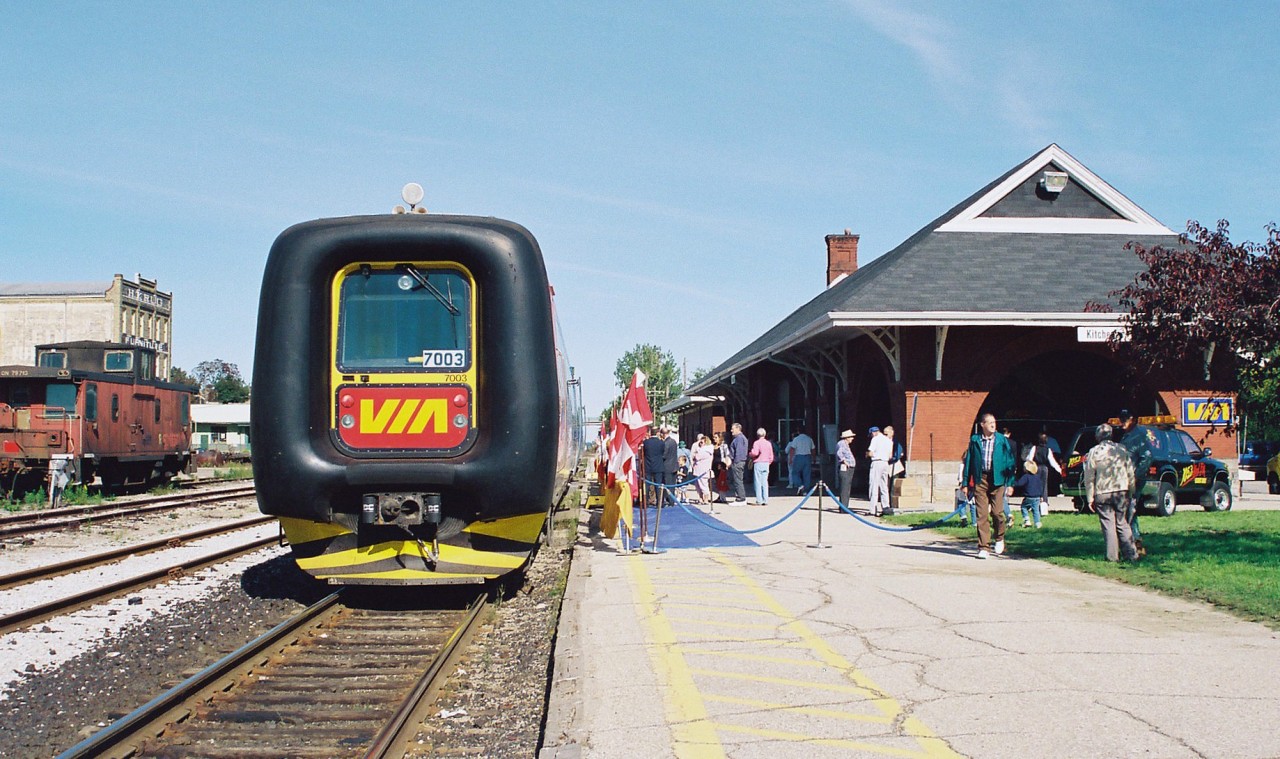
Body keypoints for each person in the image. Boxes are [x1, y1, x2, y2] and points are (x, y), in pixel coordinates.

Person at [960, 413, 1017, 559]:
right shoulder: (975, 440)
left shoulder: (1002, 440)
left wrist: (1010, 483)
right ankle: (984, 547)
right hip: (981, 479)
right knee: (982, 515)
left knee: (997, 513)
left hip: (997, 480)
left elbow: (1010, 462)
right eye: (989, 422)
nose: (993, 425)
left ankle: (999, 537)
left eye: (994, 422)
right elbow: (969, 462)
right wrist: (965, 483)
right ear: (982, 425)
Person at [1082, 422, 1139, 562]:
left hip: (1103, 491)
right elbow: (1130, 472)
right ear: (1111, 435)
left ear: (1097, 437)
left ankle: (1112, 556)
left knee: (1108, 525)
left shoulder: (1094, 452)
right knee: (1122, 523)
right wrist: (1131, 490)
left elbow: (1089, 477)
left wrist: (1090, 498)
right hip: (1121, 490)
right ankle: (1131, 554)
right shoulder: (1121, 449)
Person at [1117, 410, 1152, 557]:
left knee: (1129, 510)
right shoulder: (1127, 436)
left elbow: (1147, 456)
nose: (1122, 423)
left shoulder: (1138, 436)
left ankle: (1134, 544)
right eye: (1121, 419)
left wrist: (1136, 476)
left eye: (1125, 420)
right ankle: (1134, 542)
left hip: (1133, 480)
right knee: (1130, 510)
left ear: (1132, 420)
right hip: (1126, 478)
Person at [1025, 432, 1062, 517]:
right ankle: (1044, 505)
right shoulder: (1048, 450)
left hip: (1035, 468)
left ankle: (1034, 503)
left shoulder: (1034, 448)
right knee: (1044, 487)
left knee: (1034, 486)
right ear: (1046, 441)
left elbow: (1029, 459)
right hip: (1044, 469)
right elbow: (1052, 462)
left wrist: (1027, 466)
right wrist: (1059, 470)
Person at [866, 425, 892, 516]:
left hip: (877, 462)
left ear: (874, 433)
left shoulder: (875, 439)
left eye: (871, 434)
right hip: (885, 462)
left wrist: (867, 455)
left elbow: (871, 452)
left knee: (874, 485)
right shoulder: (888, 440)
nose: (871, 436)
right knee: (884, 486)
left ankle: (873, 509)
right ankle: (886, 507)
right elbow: (890, 455)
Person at [1014, 460, 1045, 528]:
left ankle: (1027, 520)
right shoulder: (1037, 477)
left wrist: (1013, 481)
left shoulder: (1026, 476)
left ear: (1027, 469)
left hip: (1029, 496)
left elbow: (1019, 484)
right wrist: (1041, 496)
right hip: (1037, 497)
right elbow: (1041, 487)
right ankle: (1037, 523)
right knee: (1036, 510)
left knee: (1024, 507)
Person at [640, 427, 666, 508]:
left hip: (647, 466)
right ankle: (659, 503)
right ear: (658, 433)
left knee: (646, 485)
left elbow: (643, 453)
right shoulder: (661, 443)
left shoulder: (646, 442)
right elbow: (662, 452)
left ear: (650, 432)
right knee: (658, 485)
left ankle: (645, 503)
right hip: (658, 466)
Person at [785, 429, 815, 495]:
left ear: (798, 432)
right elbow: (813, 449)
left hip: (798, 456)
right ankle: (805, 490)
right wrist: (814, 458)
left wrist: (790, 459)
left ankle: (800, 485)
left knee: (795, 473)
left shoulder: (796, 439)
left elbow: (792, 449)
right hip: (807, 457)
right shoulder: (809, 439)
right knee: (807, 474)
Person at [749, 427, 774, 504]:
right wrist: (769, 462)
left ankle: (759, 500)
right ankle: (765, 499)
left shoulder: (756, 443)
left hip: (758, 463)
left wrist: (750, 453)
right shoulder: (768, 443)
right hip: (766, 463)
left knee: (758, 482)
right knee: (765, 482)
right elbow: (771, 455)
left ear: (757, 435)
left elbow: (755, 453)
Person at [690, 433, 714, 504]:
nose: (700, 443)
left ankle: (706, 499)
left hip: (703, 470)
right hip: (697, 470)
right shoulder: (700, 449)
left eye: (702, 442)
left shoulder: (707, 450)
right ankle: (700, 498)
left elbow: (697, 457)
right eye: (700, 442)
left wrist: (695, 455)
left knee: (703, 485)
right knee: (697, 485)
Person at [729, 423, 749, 502]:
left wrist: (735, 462)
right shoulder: (739, 438)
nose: (731, 430)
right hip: (739, 461)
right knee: (737, 480)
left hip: (738, 462)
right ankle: (740, 497)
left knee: (738, 481)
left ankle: (740, 498)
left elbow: (739, 452)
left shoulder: (739, 438)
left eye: (733, 429)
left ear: (738, 429)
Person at [836, 429, 856, 507]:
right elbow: (839, 453)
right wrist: (844, 461)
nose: (852, 438)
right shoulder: (842, 444)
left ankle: (845, 506)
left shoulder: (845, 444)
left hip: (849, 467)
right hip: (845, 468)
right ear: (847, 437)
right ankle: (843, 506)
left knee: (847, 487)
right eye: (851, 437)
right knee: (845, 487)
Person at [661, 426, 679, 508]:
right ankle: (672, 500)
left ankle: (669, 500)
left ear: (663, 434)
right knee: (672, 484)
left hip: (667, 466)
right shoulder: (674, 441)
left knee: (668, 484)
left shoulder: (666, 443)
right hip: (674, 465)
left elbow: (664, 455)